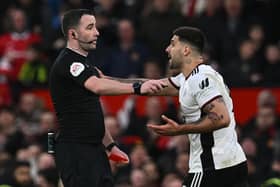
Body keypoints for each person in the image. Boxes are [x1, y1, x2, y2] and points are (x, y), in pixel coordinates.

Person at [98, 26, 248, 187]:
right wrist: (107, 80)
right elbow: (150, 86)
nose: (167, 49)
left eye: (172, 44)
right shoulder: (188, 79)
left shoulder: (200, 78)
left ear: (185, 50)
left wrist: (180, 130)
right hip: (230, 162)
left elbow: (221, 117)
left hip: (213, 166)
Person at [48, 9, 166, 187]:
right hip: (75, 149)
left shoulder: (86, 65)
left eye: (95, 26)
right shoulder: (68, 62)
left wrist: (110, 146)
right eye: (89, 27)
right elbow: (97, 85)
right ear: (73, 34)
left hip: (94, 148)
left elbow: (93, 108)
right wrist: (137, 88)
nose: (97, 32)